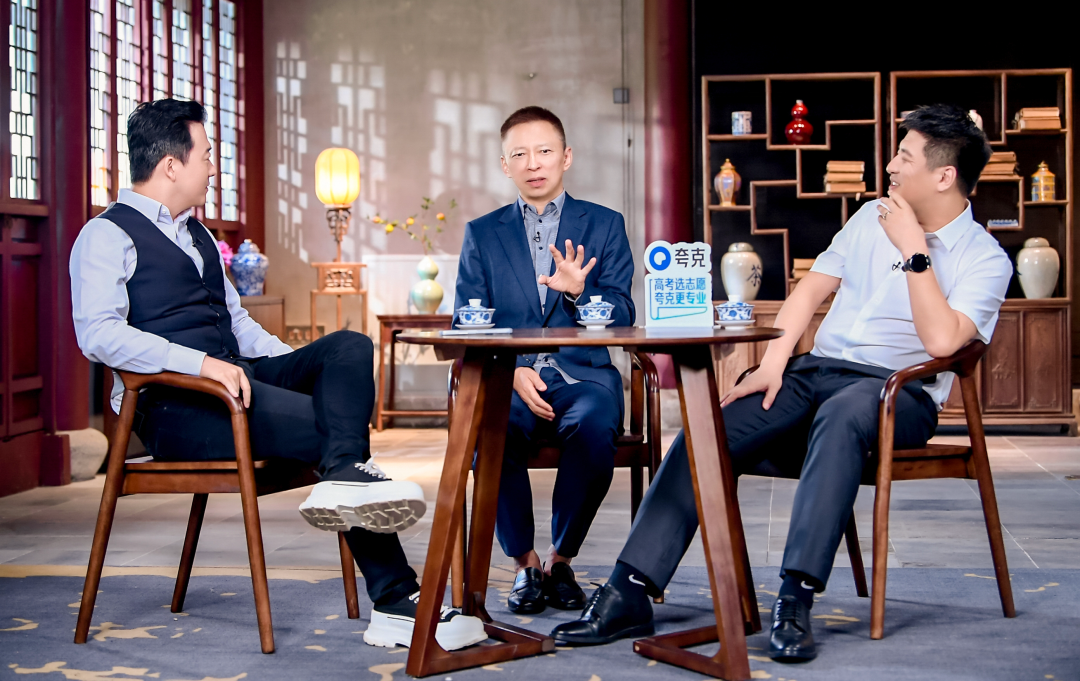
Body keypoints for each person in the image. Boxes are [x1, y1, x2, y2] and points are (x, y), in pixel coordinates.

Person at [551, 104, 1011, 662]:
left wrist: (914, 249)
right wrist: (773, 362)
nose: (890, 166)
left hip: (899, 393)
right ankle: (629, 590)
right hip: (817, 373)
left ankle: (794, 598)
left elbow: (942, 343)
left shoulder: (984, 258)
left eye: (904, 157)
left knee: (844, 415)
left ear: (944, 175)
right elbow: (810, 290)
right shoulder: (869, 218)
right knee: (710, 427)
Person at [69, 98, 485, 651]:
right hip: (174, 408)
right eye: (206, 155)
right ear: (171, 164)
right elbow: (98, 334)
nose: (212, 167)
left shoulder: (198, 236)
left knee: (348, 349)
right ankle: (395, 598)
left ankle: (347, 476)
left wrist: (296, 368)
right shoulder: (105, 235)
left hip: (234, 381)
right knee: (328, 430)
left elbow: (237, 324)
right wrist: (202, 364)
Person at [454, 106, 635, 614]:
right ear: (505, 165)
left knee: (595, 423)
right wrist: (510, 371)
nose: (533, 163)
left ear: (566, 157)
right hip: (508, 376)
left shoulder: (605, 224)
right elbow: (467, 319)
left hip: (583, 376)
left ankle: (560, 559)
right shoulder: (482, 233)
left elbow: (624, 313)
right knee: (489, 428)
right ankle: (525, 563)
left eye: (544, 151)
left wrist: (579, 293)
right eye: (519, 154)